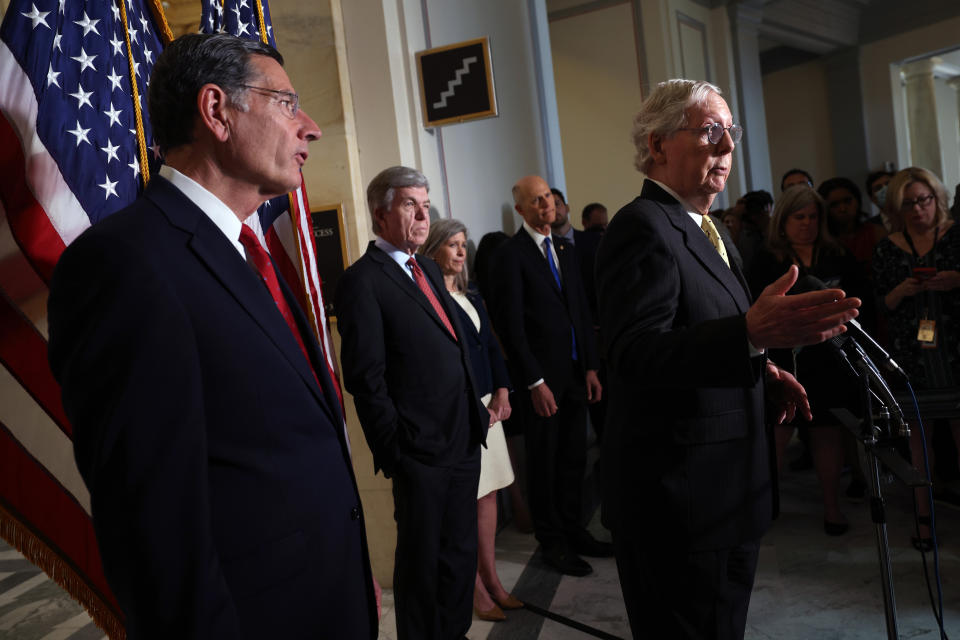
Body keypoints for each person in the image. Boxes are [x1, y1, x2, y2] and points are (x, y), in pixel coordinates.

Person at [45, 34, 377, 638]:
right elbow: (153, 526)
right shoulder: (125, 264)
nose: (311, 127)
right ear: (217, 110)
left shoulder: (254, 254)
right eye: (287, 103)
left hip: (329, 598)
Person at [595, 79, 860, 640]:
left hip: (724, 492)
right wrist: (747, 334)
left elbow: (697, 331)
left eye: (730, 132)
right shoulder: (642, 227)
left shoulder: (711, 229)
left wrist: (760, 369)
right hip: (678, 502)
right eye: (710, 131)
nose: (727, 146)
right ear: (660, 142)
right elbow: (635, 354)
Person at [335, 166, 489, 640]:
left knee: (459, 553)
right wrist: (397, 449)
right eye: (410, 206)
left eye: (426, 206)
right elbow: (365, 378)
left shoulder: (425, 268)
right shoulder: (363, 280)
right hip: (419, 451)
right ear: (381, 212)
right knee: (422, 564)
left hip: (462, 438)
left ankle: (455, 632)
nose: (424, 216)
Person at [491, 175, 608, 577]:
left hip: (576, 374)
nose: (547, 206)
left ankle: (575, 531)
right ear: (521, 209)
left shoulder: (564, 247)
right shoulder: (511, 254)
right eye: (537, 202)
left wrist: (591, 365)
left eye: (549, 199)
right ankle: (553, 543)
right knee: (546, 464)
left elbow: (580, 310)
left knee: (575, 458)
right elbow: (512, 327)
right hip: (542, 382)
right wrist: (534, 382)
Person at [748, 185, 870, 535]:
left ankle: (832, 507)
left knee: (827, 434)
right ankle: (763, 507)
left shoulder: (836, 254)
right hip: (782, 358)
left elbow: (860, 302)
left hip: (831, 359)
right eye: (798, 217)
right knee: (778, 435)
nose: (807, 224)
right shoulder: (767, 259)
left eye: (813, 217)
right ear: (783, 221)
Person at [419, 219, 524, 622]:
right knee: (466, 499)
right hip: (462, 412)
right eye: (452, 245)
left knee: (490, 493)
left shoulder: (471, 297)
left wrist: (502, 390)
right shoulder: (431, 302)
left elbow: (492, 350)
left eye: (464, 245)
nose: (462, 252)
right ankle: (476, 590)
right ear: (434, 250)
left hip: (490, 409)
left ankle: (493, 579)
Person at [873, 166, 960, 551]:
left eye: (923, 200)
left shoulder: (956, 236)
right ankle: (925, 523)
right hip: (912, 355)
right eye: (907, 204)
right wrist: (902, 290)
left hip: (955, 352)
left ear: (937, 199)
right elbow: (880, 304)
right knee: (917, 446)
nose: (917, 210)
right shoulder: (888, 247)